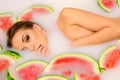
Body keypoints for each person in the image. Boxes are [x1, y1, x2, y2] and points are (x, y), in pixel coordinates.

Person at [6, 7, 120, 56]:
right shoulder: (57, 45)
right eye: (24, 48)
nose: (31, 47)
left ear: (36, 27)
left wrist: (75, 44)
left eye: (27, 38)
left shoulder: (66, 16)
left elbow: (117, 29)